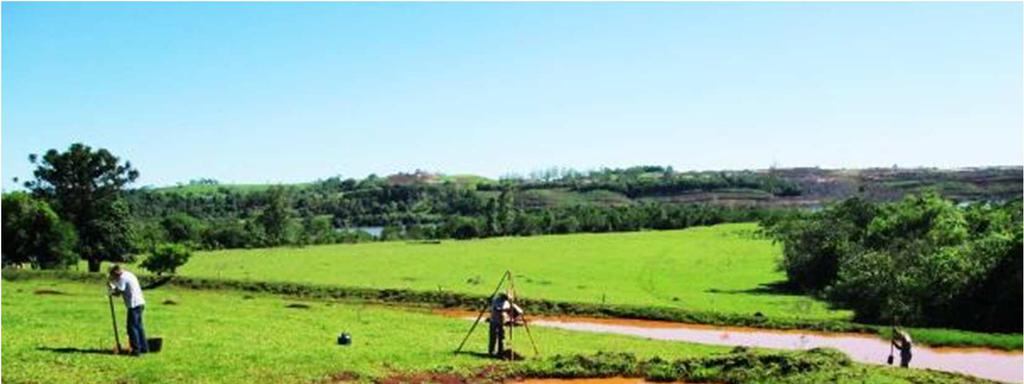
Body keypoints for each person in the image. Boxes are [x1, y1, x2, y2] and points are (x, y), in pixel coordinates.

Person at [108, 264, 148, 356]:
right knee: (138, 326)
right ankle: (144, 347)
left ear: (115, 272)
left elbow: (119, 292)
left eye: (112, 274)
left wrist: (111, 290)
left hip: (133, 304)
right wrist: (113, 286)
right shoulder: (129, 274)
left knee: (132, 327)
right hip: (140, 303)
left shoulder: (122, 278)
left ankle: (136, 350)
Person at [488, 292, 522, 357]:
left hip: (502, 322)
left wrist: (512, 305)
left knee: (502, 338)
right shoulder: (496, 301)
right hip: (494, 321)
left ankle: (500, 352)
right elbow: (499, 308)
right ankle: (491, 352)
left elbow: (520, 311)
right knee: (493, 337)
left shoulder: (507, 302)